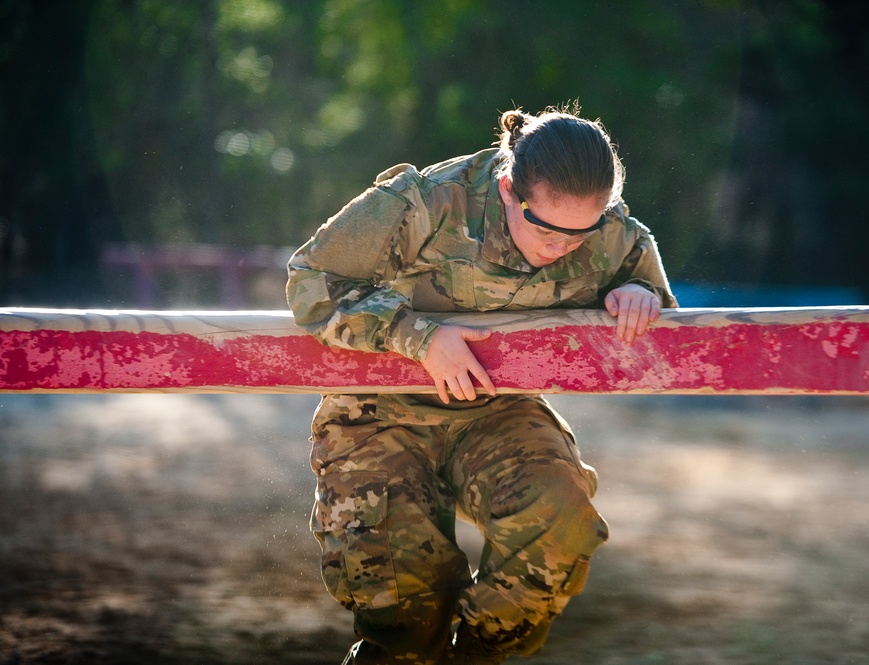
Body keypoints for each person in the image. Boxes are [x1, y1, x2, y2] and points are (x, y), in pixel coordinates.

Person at [286, 106, 678, 664]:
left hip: (496, 413)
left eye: (582, 231)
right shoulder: (425, 203)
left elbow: (650, 289)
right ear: (507, 188)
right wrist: (417, 337)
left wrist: (640, 293)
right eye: (544, 227)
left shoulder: (610, 232)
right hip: (378, 414)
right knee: (404, 612)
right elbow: (311, 280)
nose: (563, 245)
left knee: (560, 518)